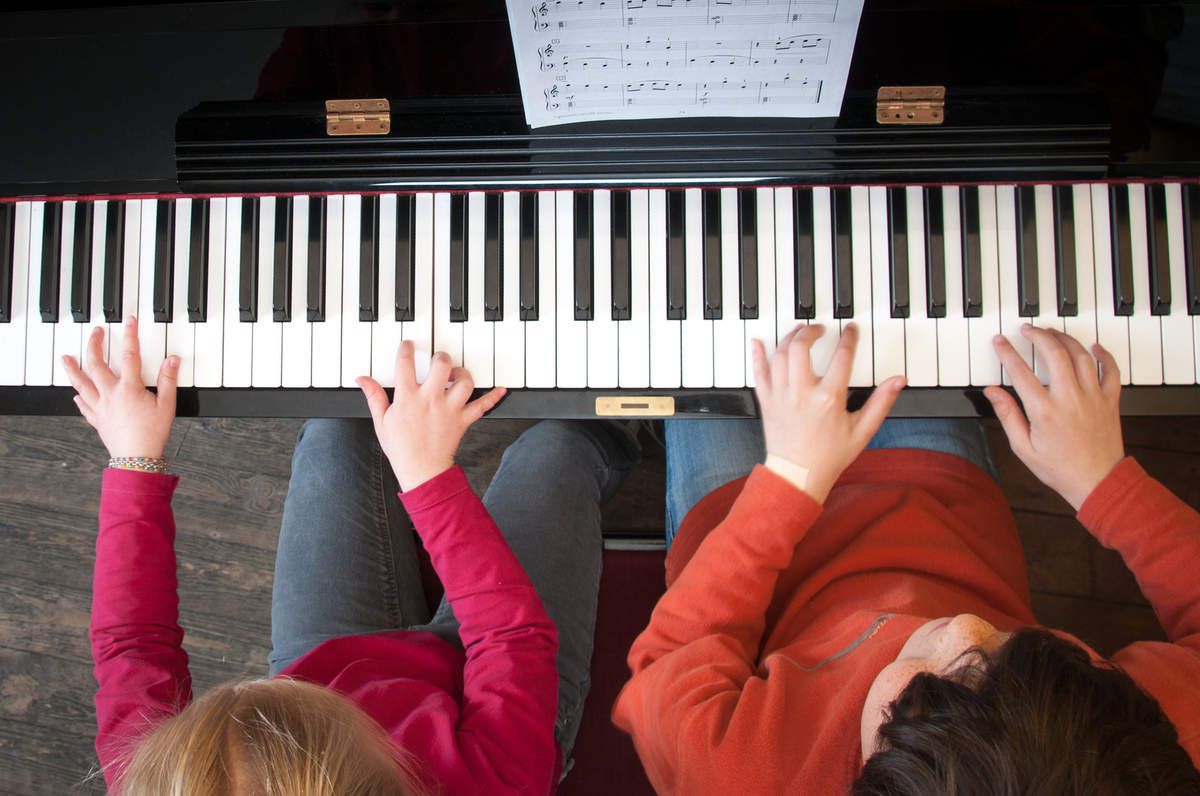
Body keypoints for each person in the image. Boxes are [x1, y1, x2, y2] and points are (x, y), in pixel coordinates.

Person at [612, 322, 1200, 794]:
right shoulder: (1128, 752)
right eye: (1023, 650)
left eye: (922, 688)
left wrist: (789, 479)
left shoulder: (737, 779)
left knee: (701, 336)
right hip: (935, 497)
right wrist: (1106, 482)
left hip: (741, 515)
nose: (966, 625)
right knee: (908, 322)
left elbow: (678, 655)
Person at [67, 316, 639, 794]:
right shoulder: (488, 784)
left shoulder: (160, 775)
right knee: (555, 449)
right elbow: (513, 640)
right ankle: (622, 431)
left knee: (334, 425)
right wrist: (428, 478)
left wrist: (133, 460)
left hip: (331, 654)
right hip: (492, 693)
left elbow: (132, 645)